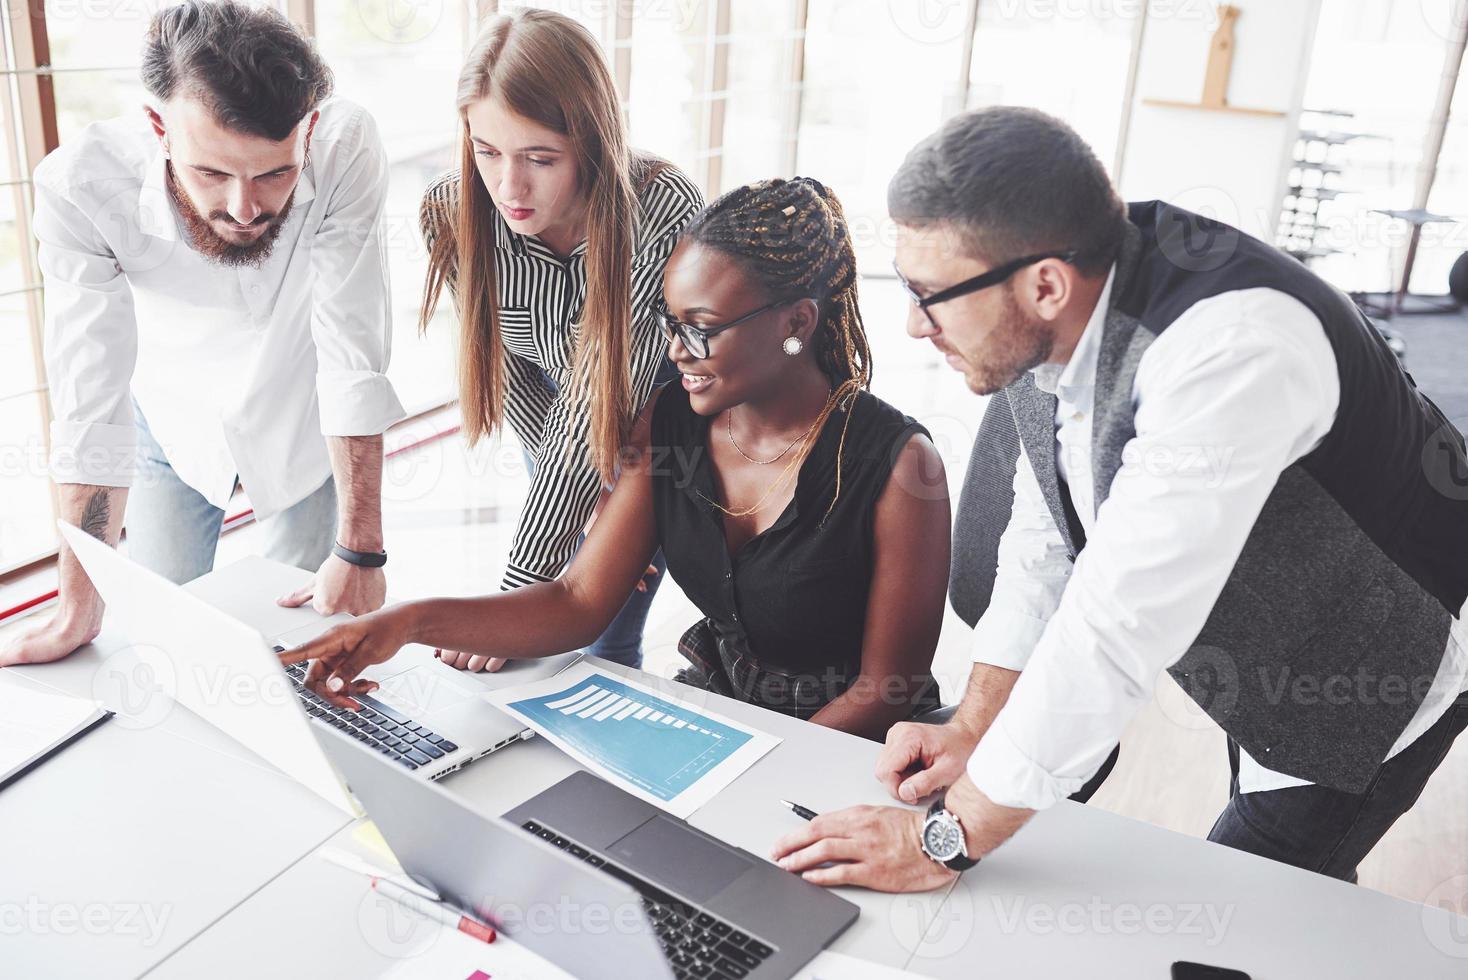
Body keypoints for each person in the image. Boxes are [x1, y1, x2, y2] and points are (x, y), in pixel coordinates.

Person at [771, 107, 1468, 891]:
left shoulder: (1232, 352)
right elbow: (1047, 535)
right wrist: (976, 723)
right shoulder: (1060, 310)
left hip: (1372, 667)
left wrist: (941, 837)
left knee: (1243, 907)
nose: (911, 324)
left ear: (1044, 284)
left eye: (928, 293)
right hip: (1264, 625)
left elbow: (1116, 627)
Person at [284, 177, 952, 740]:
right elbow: (577, 600)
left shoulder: (899, 468)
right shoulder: (667, 426)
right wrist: (402, 622)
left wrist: (749, 769)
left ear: (797, 324)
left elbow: (883, 693)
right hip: (722, 718)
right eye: (668, 321)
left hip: (848, 751)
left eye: (701, 327)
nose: (677, 350)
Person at [0, 0, 402, 669]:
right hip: (169, 420)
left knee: (300, 650)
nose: (245, 209)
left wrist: (361, 548)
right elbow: (88, 403)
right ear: (159, 127)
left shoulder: (346, 147)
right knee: (169, 643)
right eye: (212, 173)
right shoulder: (82, 187)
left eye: (274, 173)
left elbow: (351, 350)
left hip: (302, 414)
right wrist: (77, 605)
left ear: (311, 131)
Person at [417, 8, 703, 670]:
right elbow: (517, 381)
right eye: (486, 152)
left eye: (539, 158)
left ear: (592, 141)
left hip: (660, 427)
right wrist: (565, 522)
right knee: (555, 608)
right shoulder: (450, 212)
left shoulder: (660, 208)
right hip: (559, 423)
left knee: (598, 637)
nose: (508, 187)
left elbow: (601, 396)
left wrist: (515, 602)